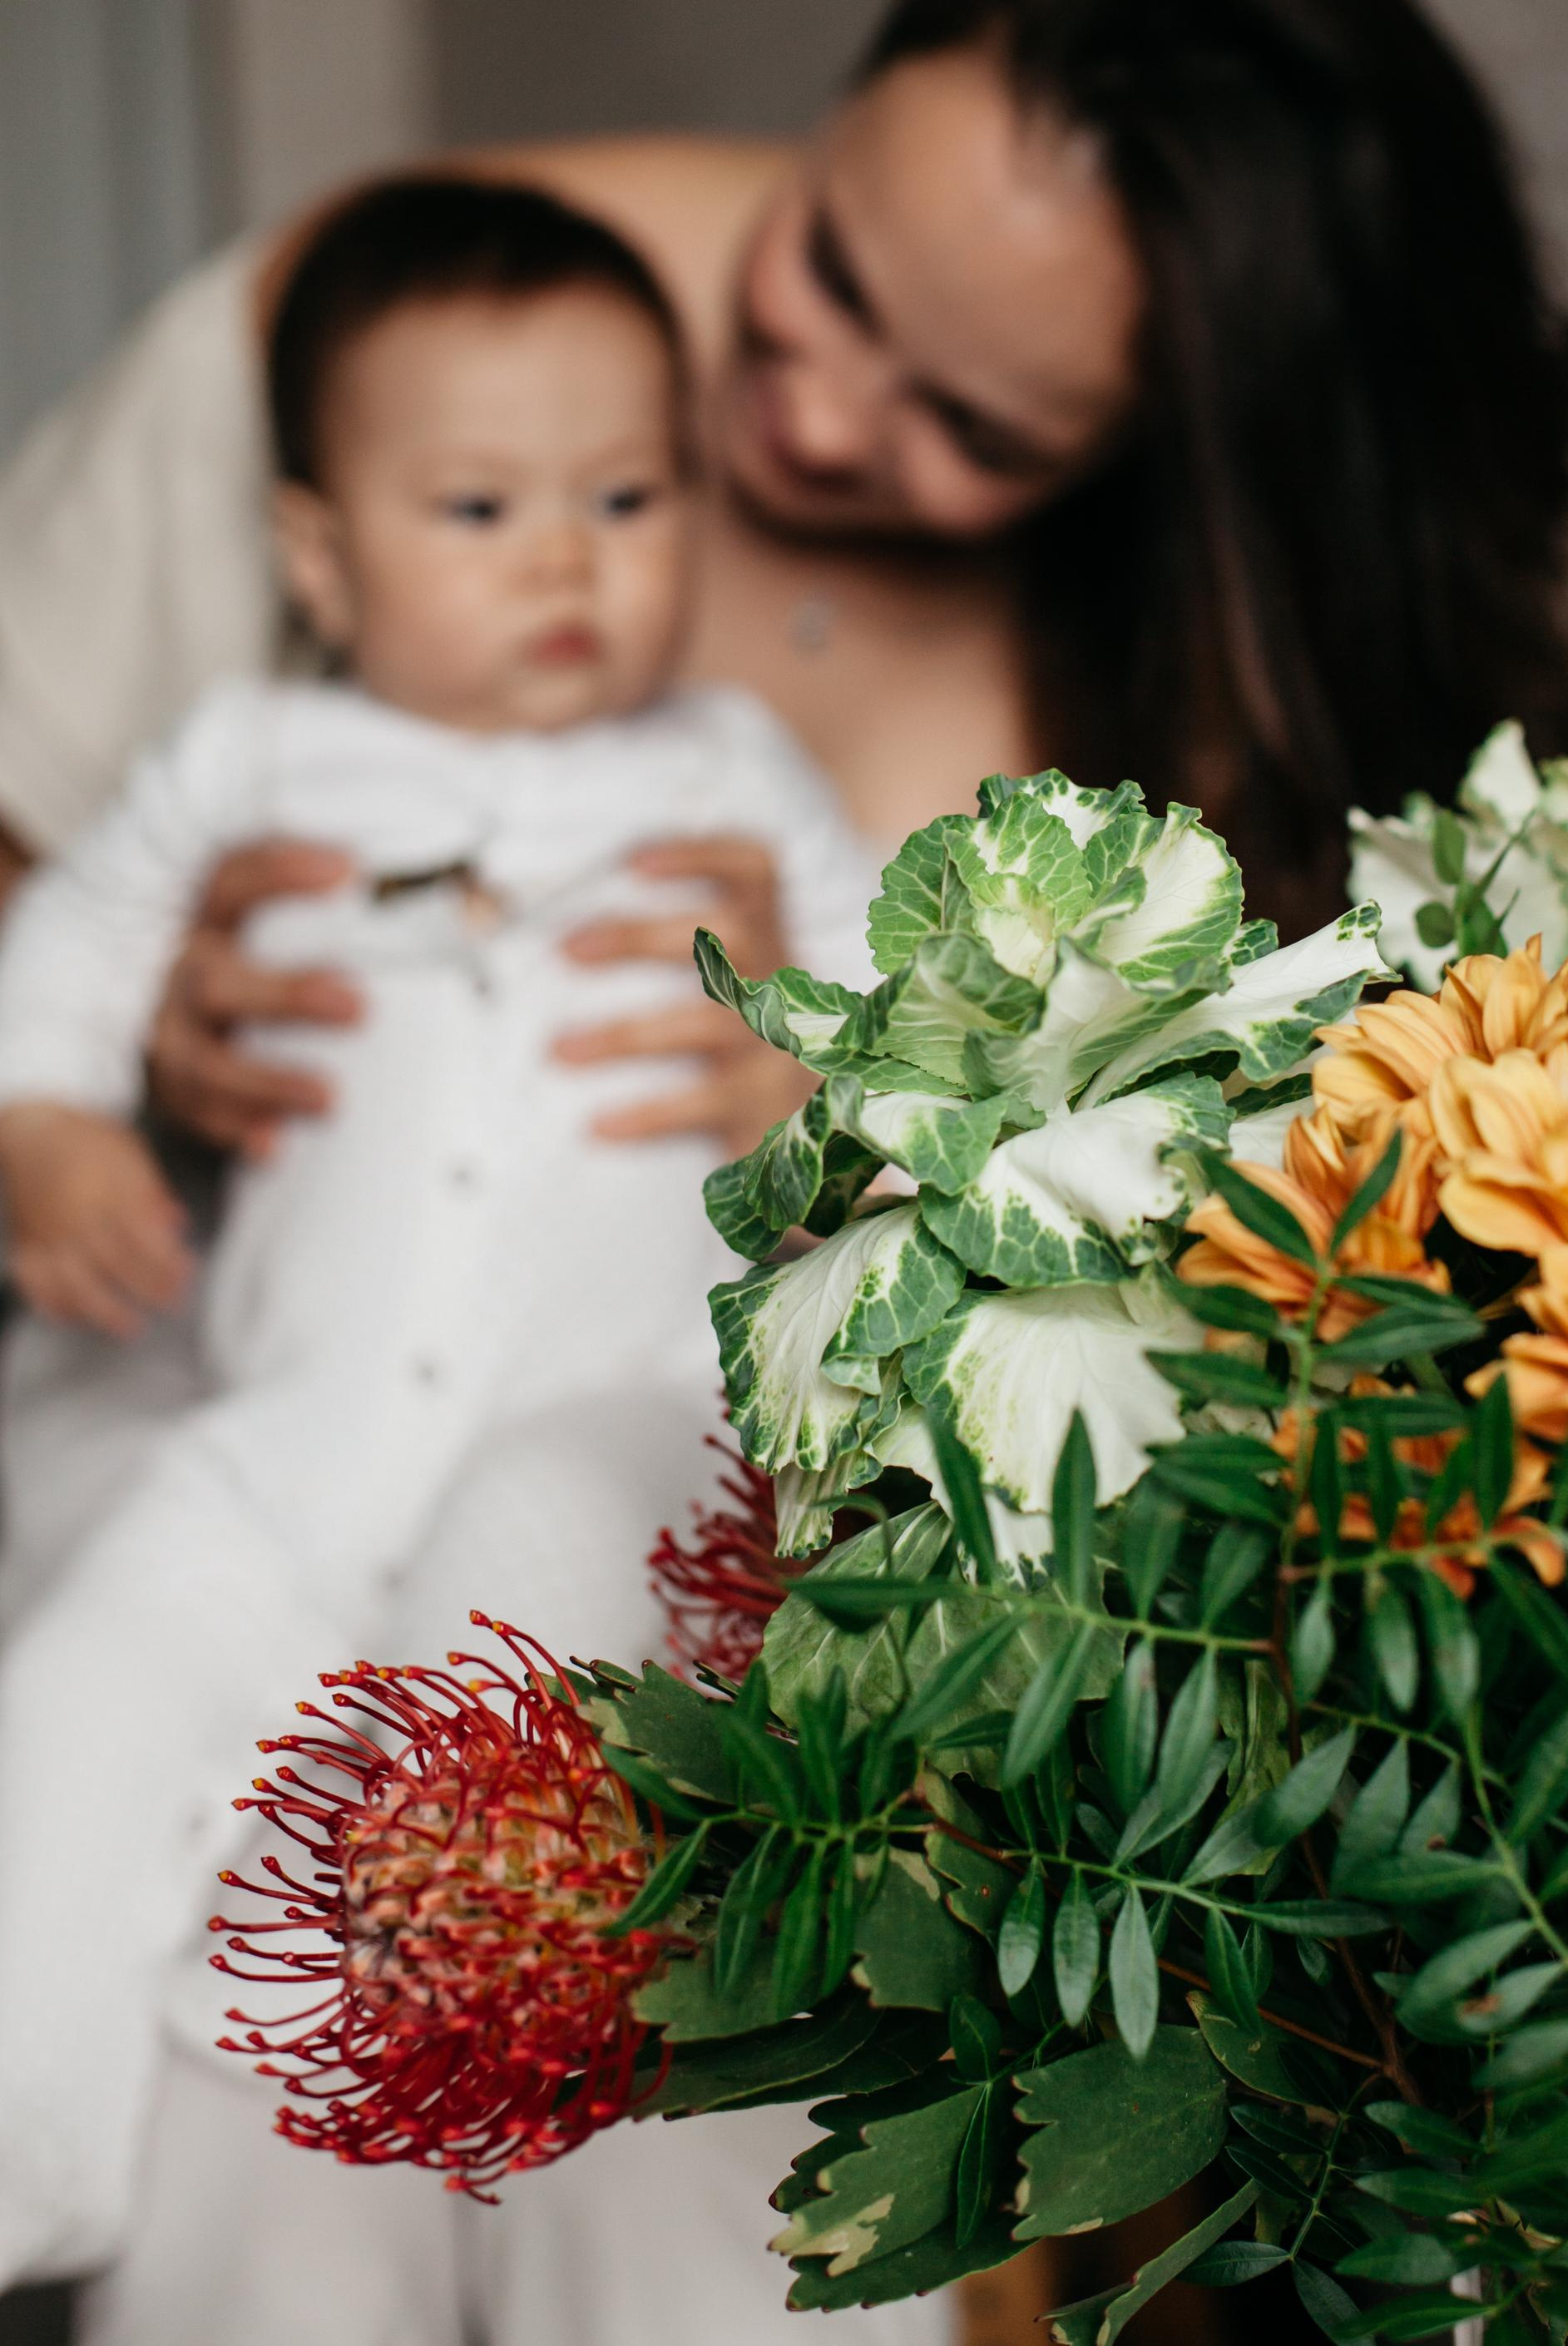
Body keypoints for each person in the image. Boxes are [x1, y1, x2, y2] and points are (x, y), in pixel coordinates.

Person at [0, 0, 1568, 1176]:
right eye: (830, 265)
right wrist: (138, 1039)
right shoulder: (403, 333)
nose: (822, 419)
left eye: (975, 428)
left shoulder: (1221, 679)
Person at [0, 175, 938, 2345]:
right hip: (293, 1431)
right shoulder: (252, 760)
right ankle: (33, 2117)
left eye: (626, 497)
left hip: (618, 1408)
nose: (566, 563)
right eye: (482, 509)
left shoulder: (729, 772)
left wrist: (811, 1060)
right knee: (84, 1688)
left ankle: (473, 1997)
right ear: (323, 556)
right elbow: (70, 955)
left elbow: (906, 1036)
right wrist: (47, 1128)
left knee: (520, 1662)